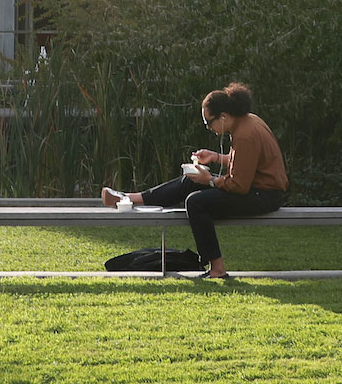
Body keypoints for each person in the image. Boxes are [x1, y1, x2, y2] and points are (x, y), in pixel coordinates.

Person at [101, 82, 287, 279]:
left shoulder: (245, 135)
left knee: (195, 202)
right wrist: (215, 157)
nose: (208, 127)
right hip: (255, 189)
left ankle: (217, 268)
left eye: (209, 122)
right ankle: (129, 198)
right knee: (190, 181)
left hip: (264, 195)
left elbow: (239, 186)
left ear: (223, 116)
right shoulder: (247, 122)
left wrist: (209, 180)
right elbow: (245, 162)